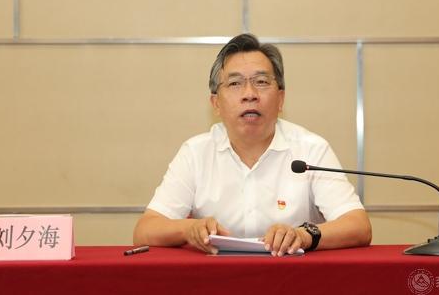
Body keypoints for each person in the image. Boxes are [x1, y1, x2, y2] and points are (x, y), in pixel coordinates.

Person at [133, 34, 371, 256]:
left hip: (293, 278)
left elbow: (358, 225)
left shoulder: (311, 149)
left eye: (261, 81)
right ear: (216, 103)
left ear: (280, 99)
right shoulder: (195, 153)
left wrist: (303, 235)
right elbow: (145, 230)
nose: (250, 94)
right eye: (235, 83)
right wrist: (189, 229)